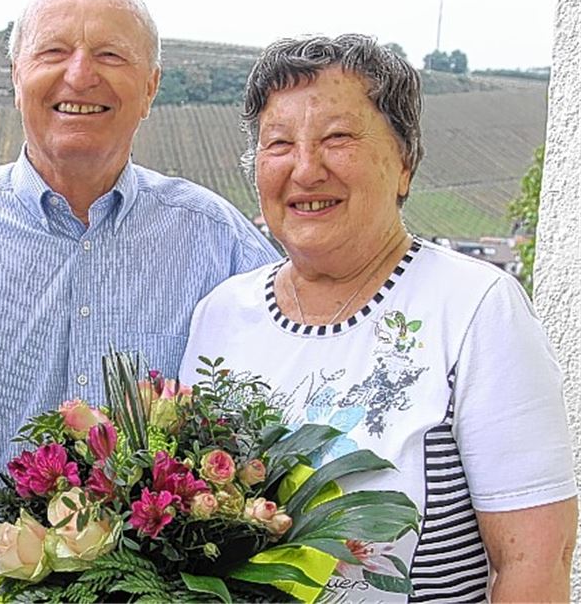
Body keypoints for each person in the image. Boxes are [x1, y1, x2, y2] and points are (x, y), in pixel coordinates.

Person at [0, 0, 278, 599]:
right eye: (53, 51)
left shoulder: (216, 239)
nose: (80, 75)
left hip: (159, 588)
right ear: (16, 74)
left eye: (110, 55)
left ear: (151, 86)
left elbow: (282, 400)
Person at [180, 34, 577, 601]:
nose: (305, 169)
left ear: (405, 164)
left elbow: (531, 562)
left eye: (337, 138)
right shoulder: (221, 314)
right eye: (279, 143)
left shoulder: (475, 307)